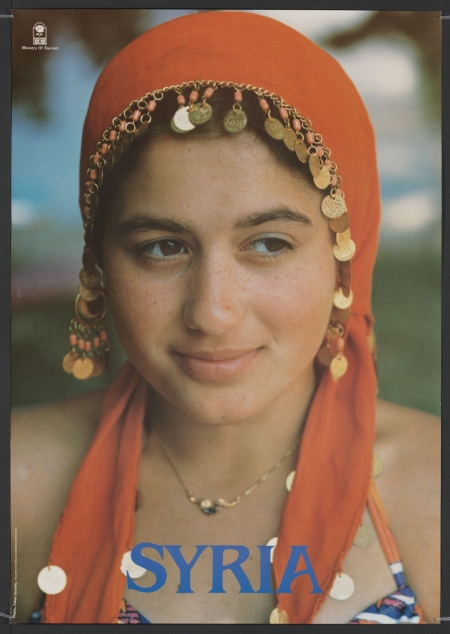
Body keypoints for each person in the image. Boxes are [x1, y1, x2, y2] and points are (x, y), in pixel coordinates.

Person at [11, 11, 440, 624]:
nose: (212, 313)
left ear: (346, 255)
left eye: (268, 244)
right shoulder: (18, 483)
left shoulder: (434, 495)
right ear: (99, 260)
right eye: (163, 246)